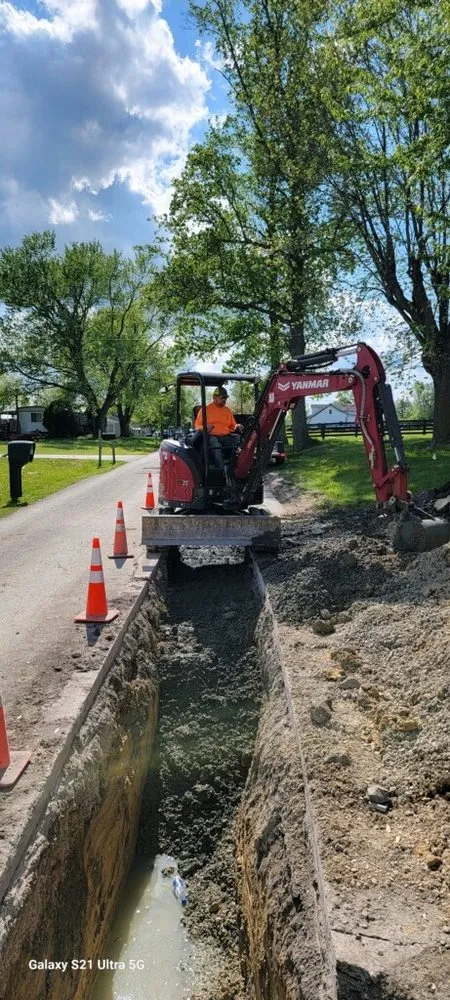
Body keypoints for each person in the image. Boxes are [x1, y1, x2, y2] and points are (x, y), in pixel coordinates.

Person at [194, 387, 243, 472]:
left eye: (225, 398)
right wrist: (205, 427)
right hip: (211, 436)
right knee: (214, 442)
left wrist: (237, 426)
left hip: (225, 436)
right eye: (222, 398)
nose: (224, 400)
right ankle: (221, 471)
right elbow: (197, 425)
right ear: (214, 397)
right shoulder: (205, 410)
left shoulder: (227, 410)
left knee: (239, 439)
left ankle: (236, 468)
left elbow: (233, 425)